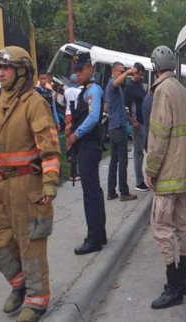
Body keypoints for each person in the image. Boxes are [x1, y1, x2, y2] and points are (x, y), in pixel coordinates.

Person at [0, 46, 60, 322]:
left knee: (31, 244)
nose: (0, 73)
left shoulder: (34, 103)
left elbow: (50, 149)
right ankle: (21, 285)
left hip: (29, 185)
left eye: (6, 68)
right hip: (2, 185)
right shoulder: (0, 100)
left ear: (21, 72)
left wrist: (50, 184)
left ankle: (38, 300)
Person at [145, 45, 186, 309]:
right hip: (185, 172)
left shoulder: (162, 91)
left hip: (168, 174)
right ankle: (183, 280)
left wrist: (150, 170)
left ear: (155, 67)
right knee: (182, 226)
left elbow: (158, 135)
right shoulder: (183, 91)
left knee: (161, 228)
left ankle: (173, 285)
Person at [66, 52, 107, 255]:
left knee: (90, 193)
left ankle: (94, 239)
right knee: (94, 191)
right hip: (87, 146)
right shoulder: (86, 91)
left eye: (81, 70)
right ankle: (100, 233)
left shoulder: (93, 91)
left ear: (90, 69)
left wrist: (76, 135)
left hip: (88, 146)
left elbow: (92, 118)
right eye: (75, 70)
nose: (77, 74)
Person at [105, 62, 137, 202]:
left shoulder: (114, 88)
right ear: (114, 71)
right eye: (121, 71)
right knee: (122, 161)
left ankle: (111, 191)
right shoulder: (113, 83)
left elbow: (106, 108)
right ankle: (124, 192)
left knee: (114, 160)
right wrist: (128, 72)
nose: (123, 73)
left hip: (114, 126)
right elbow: (116, 83)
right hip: (117, 127)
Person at [124, 62, 149, 192]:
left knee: (149, 150)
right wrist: (132, 121)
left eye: (143, 75)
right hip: (137, 124)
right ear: (134, 73)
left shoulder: (139, 85)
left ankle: (149, 177)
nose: (142, 77)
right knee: (138, 153)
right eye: (140, 74)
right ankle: (139, 182)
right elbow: (124, 106)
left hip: (144, 123)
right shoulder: (129, 88)